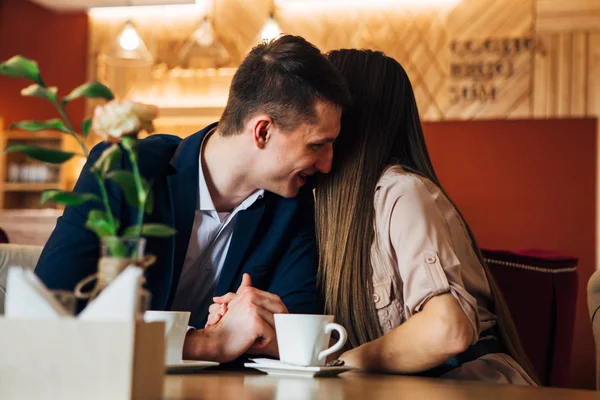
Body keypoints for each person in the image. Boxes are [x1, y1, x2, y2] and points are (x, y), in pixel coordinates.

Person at [34, 35, 351, 363]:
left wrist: (256, 327)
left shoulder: (292, 204)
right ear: (262, 132)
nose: (327, 164)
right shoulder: (123, 170)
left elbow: (294, 333)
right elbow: (47, 312)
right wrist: (205, 343)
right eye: (317, 145)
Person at [310, 49, 538, 384]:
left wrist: (345, 361)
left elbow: (447, 329)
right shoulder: (331, 215)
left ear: (346, 118)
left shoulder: (402, 193)